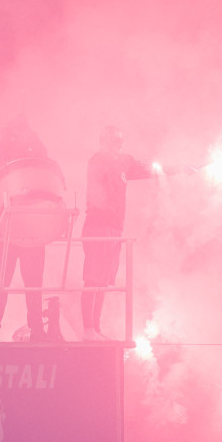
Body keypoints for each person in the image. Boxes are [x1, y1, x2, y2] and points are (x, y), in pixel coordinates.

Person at [81, 126, 159, 342]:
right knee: (92, 279)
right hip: (97, 225)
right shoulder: (96, 161)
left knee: (104, 280)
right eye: (114, 140)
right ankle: (88, 329)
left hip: (116, 227)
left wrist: (180, 169)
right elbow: (97, 186)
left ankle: (95, 328)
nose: (118, 144)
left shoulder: (126, 161)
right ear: (103, 141)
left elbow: (150, 169)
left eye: (120, 140)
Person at [0, 116, 50, 343]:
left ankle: (37, 330)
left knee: (33, 283)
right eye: (18, 130)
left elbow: (46, 170)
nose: (21, 134)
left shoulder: (35, 147)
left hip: (30, 226)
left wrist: (32, 140)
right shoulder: (1, 149)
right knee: (0, 282)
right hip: (7, 227)